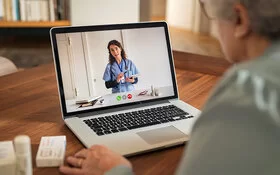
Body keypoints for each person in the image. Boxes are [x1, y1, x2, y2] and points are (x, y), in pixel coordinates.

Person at [60, 0, 280, 174]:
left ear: (240, 20)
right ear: (110, 52)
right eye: (112, 50)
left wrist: (115, 171)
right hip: (114, 101)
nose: (115, 52)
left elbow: (136, 79)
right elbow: (107, 83)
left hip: (131, 96)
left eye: (211, 16)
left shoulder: (249, 90)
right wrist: (115, 81)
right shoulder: (108, 67)